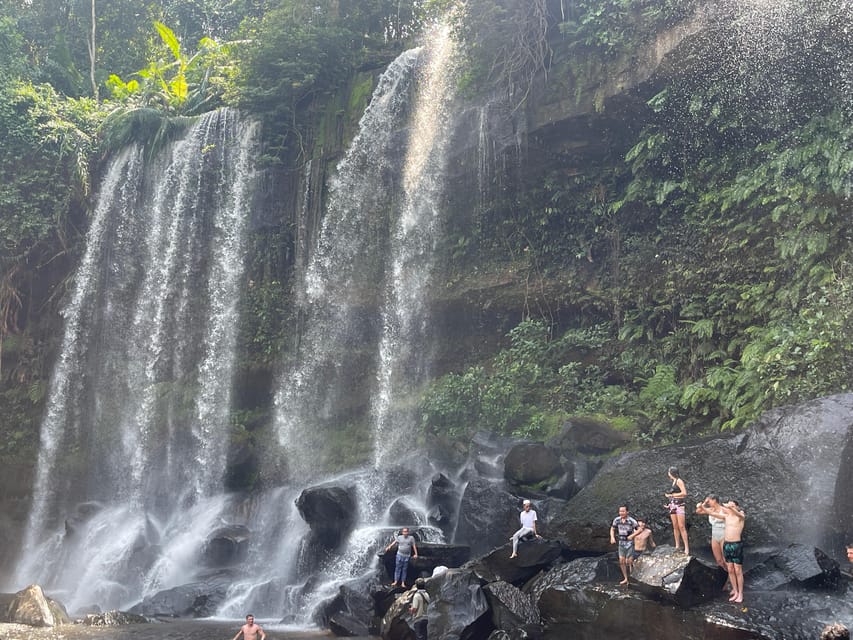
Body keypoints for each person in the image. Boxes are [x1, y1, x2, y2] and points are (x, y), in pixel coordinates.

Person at [702, 498, 746, 603]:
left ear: (737, 507)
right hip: (727, 545)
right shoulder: (726, 517)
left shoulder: (740, 516)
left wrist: (731, 507)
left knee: (738, 570)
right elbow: (712, 513)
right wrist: (702, 507)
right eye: (729, 506)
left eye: (733, 506)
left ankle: (740, 593)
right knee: (730, 569)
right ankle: (735, 591)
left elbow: (740, 514)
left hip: (736, 545)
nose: (730, 508)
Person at [696, 495, 730, 592]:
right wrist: (704, 503)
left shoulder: (723, 510)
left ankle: (729, 580)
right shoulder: (710, 508)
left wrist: (703, 507)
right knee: (719, 561)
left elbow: (729, 517)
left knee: (726, 559)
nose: (708, 502)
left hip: (724, 535)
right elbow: (698, 511)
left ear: (715, 500)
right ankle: (722, 579)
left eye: (709, 500)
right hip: (714, 536)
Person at [610, 505, 638, 585]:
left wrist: (632, 535)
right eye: (620, 511)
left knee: (629, 561)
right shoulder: (617, 520)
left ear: (627, 512)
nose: (621, 513)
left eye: (623, 511)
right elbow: (612, 528)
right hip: (621, 543)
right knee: (621, 561)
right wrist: (612, 537)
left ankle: (632, 578)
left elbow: (639, 529)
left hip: (630, 543)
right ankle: (625, 578)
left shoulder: (631, 521)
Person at [665, 466, 689, 555]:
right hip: (673, 505)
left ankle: (686, 547)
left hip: (679, 505)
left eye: (669, 472)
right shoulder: (673, 481)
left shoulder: (679, 481)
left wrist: (673, 495)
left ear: (671, 473)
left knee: (681, 526)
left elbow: (684, 493)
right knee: (675, 526)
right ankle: (677, 545)